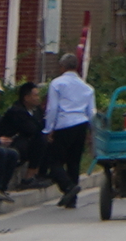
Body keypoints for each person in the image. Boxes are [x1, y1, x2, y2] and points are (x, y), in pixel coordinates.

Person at [40, 57, 98, 207]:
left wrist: (48, 128)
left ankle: (68, 186)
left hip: (64, 124)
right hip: (81, 124)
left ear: (62, 67)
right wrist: (92, 131)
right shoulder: (87, 87)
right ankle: (71, 200)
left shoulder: (57, 84)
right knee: (74, 162)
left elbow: (52, 108)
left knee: (53, 161)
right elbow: (92, 112)